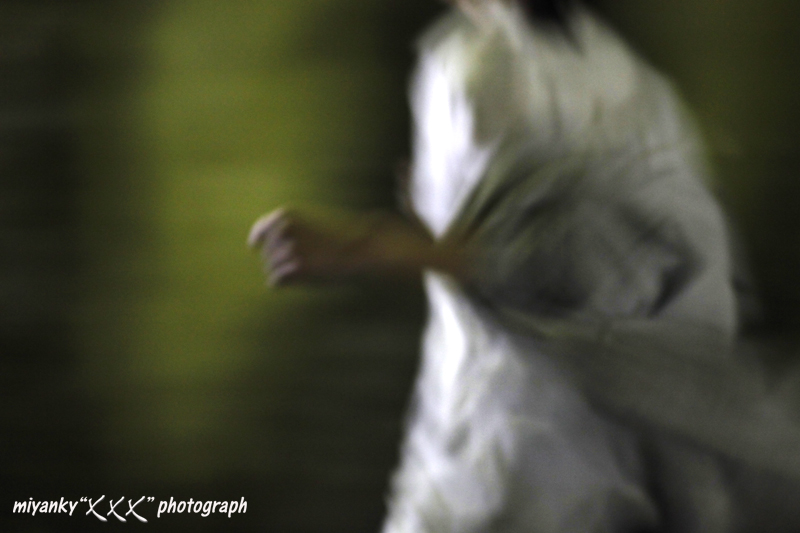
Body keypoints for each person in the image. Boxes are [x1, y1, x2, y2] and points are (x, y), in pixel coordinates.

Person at [249, 0, 800, 531]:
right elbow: (678, 270)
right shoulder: (640, 87)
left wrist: (361, 247)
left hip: (507, 459)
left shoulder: (484, 68)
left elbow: (559, 261)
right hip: (602, 465)